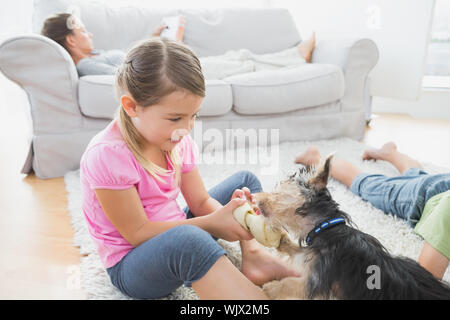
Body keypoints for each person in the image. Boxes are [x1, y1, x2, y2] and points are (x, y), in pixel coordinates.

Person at [79, 37, 300, 300]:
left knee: (244, 182)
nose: (187, 127)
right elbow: (137, 234)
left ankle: (255, 258)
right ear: (132, 106)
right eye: (175, 118)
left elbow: (200, 200)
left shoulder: (176, 139)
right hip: (133, 264)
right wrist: (211, 224)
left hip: (174, 228)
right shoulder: (107, 155)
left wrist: (233, 217)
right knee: (190, 240)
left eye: (193, 115)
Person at [294, 142, 450, 280]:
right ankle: (316, 158)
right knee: (368, 185)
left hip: (439, 186)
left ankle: (390, 153)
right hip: (422, 197)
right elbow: (425, 283)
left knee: (417, 178)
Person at [41, 13, 316, 78]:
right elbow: (128, 73)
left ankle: (294, 55)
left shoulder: (94, 56)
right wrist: (164, 47)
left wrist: (154, 39)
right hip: (171, 71)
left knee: (238, 56)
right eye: (83, 30)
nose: (89, 34)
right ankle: (295, 57)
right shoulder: (86, 65)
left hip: (167, 63)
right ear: (70, 40)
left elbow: (132, 60)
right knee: (242, 63)